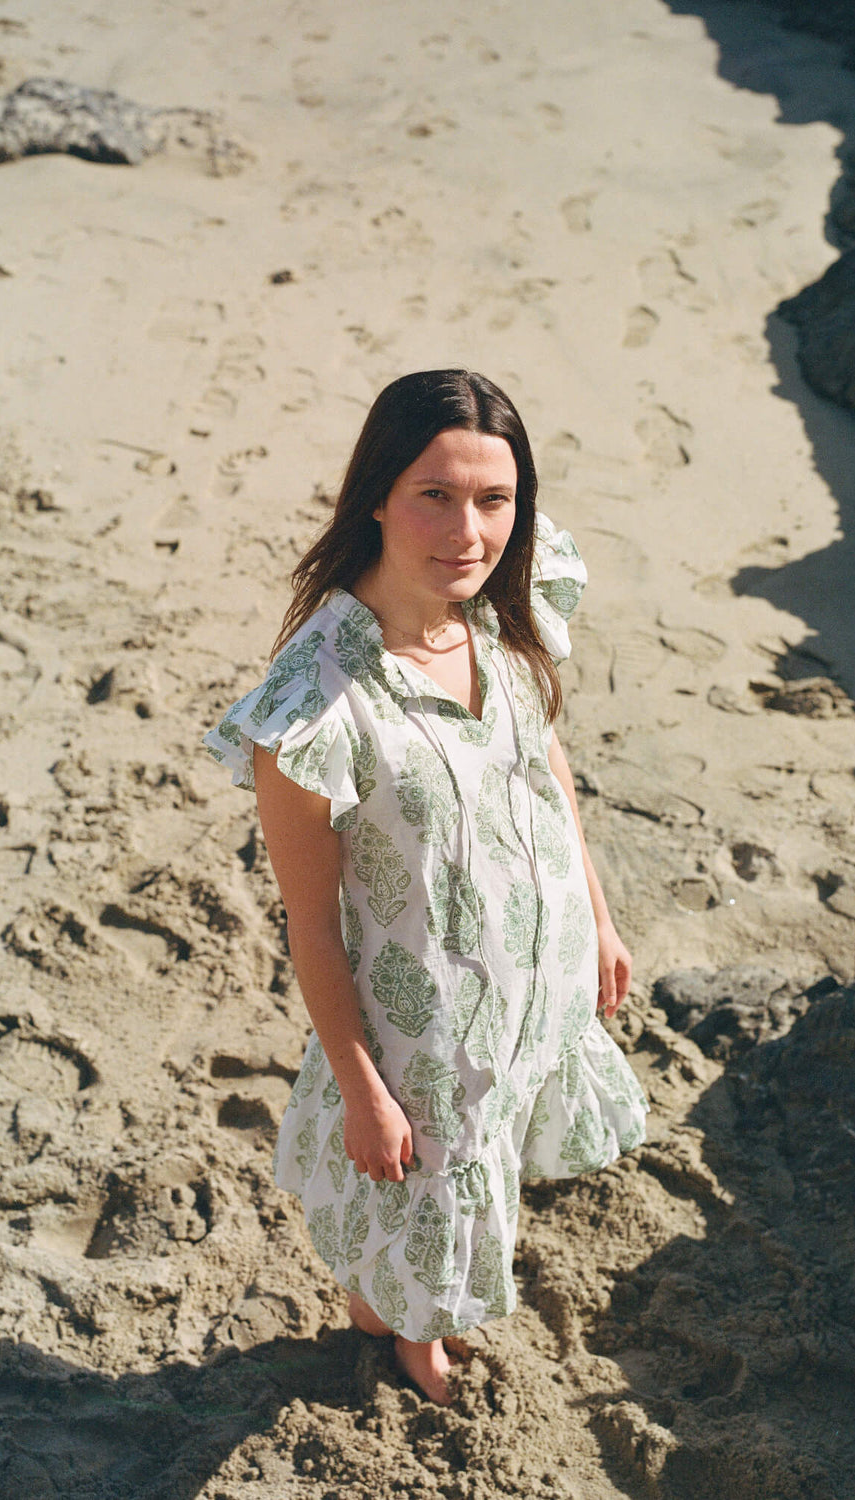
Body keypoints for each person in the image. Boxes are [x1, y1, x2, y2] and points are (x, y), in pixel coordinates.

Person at [203, 369, 647, 1404]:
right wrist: (361, 1088)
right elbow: (309, 925)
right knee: (427, 1203)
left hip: (534, 977)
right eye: (435, 496)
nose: (469, 530)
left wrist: (599, 914)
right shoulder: (314, 705)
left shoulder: (500, 612)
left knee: (488, 1162)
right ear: (377, 498)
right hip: (427, 1030)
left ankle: (396, 1321)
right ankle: (402, 1340)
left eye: (495, 501)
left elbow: (546, 760)